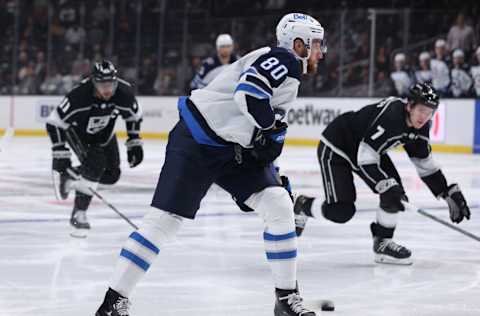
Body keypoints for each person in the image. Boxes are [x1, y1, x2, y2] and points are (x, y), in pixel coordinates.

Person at [95, 13, 326, 316]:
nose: (322, 51)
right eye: (318, 43)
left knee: (279, 204)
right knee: (164, 222)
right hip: (198, 140)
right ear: (300, 44)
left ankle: (285, 298)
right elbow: (250, 94)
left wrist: (271, 162)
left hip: (230, 147)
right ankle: (113, 302)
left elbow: (256, 120)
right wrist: (270, 129)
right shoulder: (285, 59)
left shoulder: (285, 65)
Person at [293, 83, 470, 265]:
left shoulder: (422, 127)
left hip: (368, 150)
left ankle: (382, 243)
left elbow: (424, 163)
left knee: (395, 192)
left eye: (430, 112)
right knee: (341, 211)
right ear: (409, 105)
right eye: (421, 110)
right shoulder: (392, 116)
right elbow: (365, 156)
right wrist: (385, 186)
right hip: (338, 146)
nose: (425, 117)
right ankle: (302, 205)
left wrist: (446, 191)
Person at [45, 60, 144, 237]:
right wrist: (60, 153)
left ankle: (69, 177)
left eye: (111, 84)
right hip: (78, 133)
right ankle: (79, 213)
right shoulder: (79, 96)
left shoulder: (123, 92)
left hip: (105, 135)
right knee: (95, 164)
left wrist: (134, 142)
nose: (107, 89)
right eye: (102, 84)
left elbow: (134, 116)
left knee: (112, 175)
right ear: (93, 82)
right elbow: (55, 122)